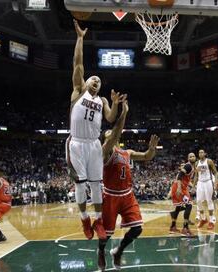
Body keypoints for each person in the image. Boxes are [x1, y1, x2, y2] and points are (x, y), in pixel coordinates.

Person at [66, 19, 126, 240]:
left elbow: (110, 118)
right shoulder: (78, 91)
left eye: (98, 81)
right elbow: (78, 64)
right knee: (80, 185)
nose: (95, 82)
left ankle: (99, 221)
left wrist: (117, 104)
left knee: (96, 185)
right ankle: (84, 221)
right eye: (93, 79)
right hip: (77, 142)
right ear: (85, 82)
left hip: (94, 144)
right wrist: (80, 38)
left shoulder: (101, 100)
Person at [97, 100, 160, 271]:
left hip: (127, 195)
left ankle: (118, 251)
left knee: (137, 228)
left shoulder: (127, 152)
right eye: (109, 134)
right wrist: (123, 113)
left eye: (113, 133)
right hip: (110, 195)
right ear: (104, 139)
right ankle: (101, 251)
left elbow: (146, 156)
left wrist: (152, 149)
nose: (112, 135)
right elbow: (115, 134)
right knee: (106, 235)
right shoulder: (104, 151)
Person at [169, 153, 196, 236]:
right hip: (179, 188)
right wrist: (179, 188)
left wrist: (193, 187)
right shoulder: (188, 166)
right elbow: (180, 176)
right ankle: (185, 228)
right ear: (188, 158)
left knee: (178, 207)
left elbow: (185, 179)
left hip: (179, 187)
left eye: (193, 156)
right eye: (190, 156)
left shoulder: (191, 167)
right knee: (189, 205)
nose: (192, 157)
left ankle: (173, 226)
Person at [194, 149, 218, 230]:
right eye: (199, 152)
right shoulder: (197, 163)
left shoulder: (209, 161)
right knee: (198, 201)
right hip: (200, 182)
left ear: (205, 153)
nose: (200, 153)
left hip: (208, 181)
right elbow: (196, 175)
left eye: (202, 152)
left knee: (209, 201)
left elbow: (216, 172)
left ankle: (212, 221)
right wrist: (193, 185)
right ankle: (203, 219)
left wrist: (215, 184)